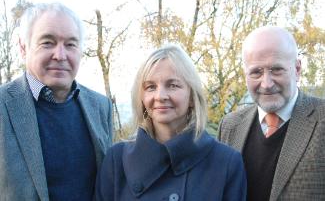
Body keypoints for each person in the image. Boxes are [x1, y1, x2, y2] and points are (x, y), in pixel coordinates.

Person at [95, 44, 247, 201]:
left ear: (192, 97)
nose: (160, 96)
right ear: (141, 98)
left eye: (173, 85)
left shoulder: (226, 162)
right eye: (151, 87)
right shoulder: (116, 160)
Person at [0, 3, 113, 201]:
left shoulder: (101, 107)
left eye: (70, 44)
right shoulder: (3, 106)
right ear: (23, 47)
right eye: (47, 42)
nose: (60, 55)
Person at [218, 26, 325, 201]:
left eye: (276, 69)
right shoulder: (230, 126)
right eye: (256, 72)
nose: (266, 83)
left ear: (297, 69)